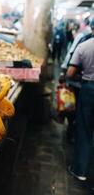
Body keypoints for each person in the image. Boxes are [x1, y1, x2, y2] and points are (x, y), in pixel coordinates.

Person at [66, 19, 94, 181]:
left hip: (89, 89)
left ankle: (80, 170)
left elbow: (70, 73)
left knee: (84, 130)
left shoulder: (84, 46)